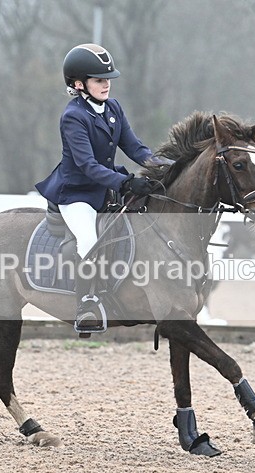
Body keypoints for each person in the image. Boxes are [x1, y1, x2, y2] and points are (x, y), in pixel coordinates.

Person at [35, 43, 167, 331]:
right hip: (77, 193)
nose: (106, 84)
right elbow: (88, 165)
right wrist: (127, 182)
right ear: (79, 84)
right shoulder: (73, 116)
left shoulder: (113, 108)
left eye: (108, 79)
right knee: (89, 241)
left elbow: (135, 147)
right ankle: (85, 305)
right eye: (99, 80)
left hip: (106, 188)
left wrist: (164, 167)